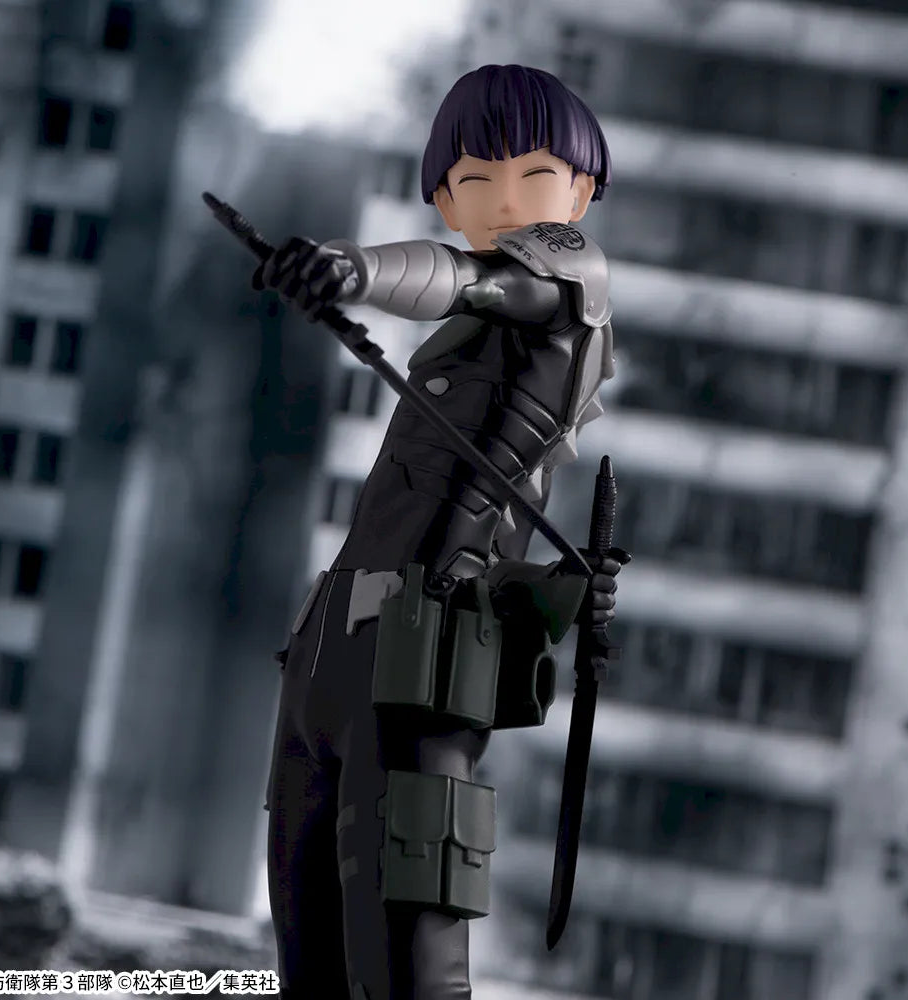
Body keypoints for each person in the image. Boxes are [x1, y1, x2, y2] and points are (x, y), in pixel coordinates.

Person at [256, 64, 628, 1000]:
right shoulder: (455, 344)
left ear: (581, 192)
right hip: (332, 647)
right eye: (475, 180)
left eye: (535, 176)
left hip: (425, 661)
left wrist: (353, 270)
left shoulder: (566, 286)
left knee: (407, 973)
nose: (506, 201)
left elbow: (469, 280)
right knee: (310, 970)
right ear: (446, 199)